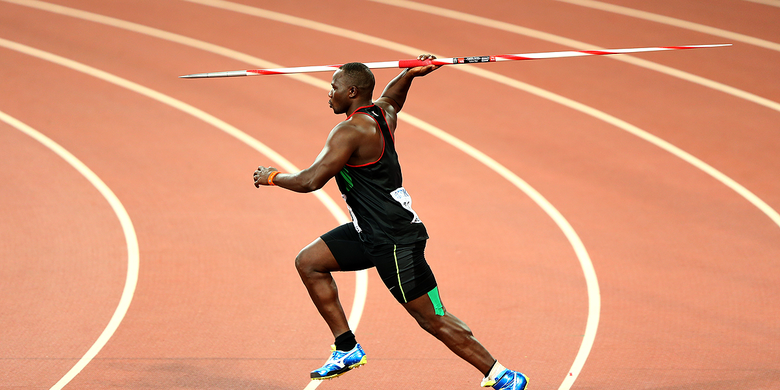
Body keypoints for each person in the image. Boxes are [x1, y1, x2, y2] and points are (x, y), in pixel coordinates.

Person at [252, 55, 528, 390]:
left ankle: (501, 375)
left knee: (432, 318)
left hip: (393, 239)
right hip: (371, 231)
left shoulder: (349, 131)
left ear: (351, 91)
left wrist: (273, 177)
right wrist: (409, 75)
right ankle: (347, 348)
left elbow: (311, 180)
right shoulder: (382, 113)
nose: (329, 92)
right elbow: (393, 96)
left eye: (334, 87)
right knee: (309, 262)